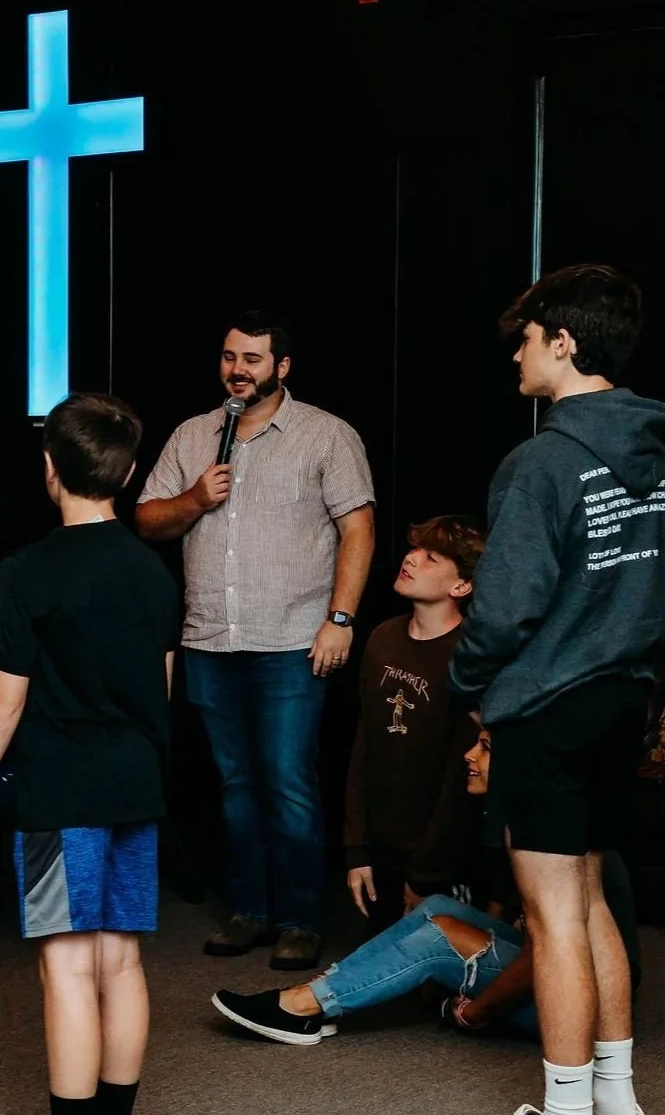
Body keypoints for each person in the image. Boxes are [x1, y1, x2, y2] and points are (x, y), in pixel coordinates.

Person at [448, 264, 664, 1115]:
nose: (516, 356)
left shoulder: (539, 462)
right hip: (622, 701)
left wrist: (467, 682)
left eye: (527, 340)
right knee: (591, 897)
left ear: (564, 342)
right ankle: (615, 1097)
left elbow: (503, 611)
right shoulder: (655, 452)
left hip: (546, 709)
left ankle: (567, 1106)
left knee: (552, 917)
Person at [0, 393, 179, 1115]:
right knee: (122, 959)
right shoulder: (154, 571)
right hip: (135, 782)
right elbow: (162, 685)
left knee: (67, 965)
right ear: (129, 473)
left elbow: (1, 701)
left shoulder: (29, 570)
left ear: (49, 469)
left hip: (60, 790)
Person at [135, 309, 376, 970]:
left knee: (288, 781)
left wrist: (340, 619)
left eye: (251, 358)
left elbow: (358, 530)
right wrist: (193, 500)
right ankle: (249, 909)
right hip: (211, 639)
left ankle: (299, 918)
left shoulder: (325, 434)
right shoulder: (193, 435)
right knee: (235, 784)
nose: (236, 370)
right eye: (228, 357)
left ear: (282, 366)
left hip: (292, 640)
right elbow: (148, 518)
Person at [210, 730, 641, 1049]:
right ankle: (326, 990)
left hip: (589, 1008)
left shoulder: (545, 837)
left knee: (439, 937)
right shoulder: (523, 817)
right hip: (560, 966)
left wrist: (474, 1011)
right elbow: (510, 917)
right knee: (438, 907)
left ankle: (303, 1007)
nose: (469, 755)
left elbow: (542, 959)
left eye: (485, 748)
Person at [343, 514, 485, 938]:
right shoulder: (383, 637)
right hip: (381, 846)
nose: (411, 559)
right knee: (376, 959)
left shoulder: (470, 655)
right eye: (415, 550)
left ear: (460, 586)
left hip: (438, 854)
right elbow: (363, 743)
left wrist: (427, 874)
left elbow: (460, 774)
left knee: (437, 962)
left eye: (431, 558)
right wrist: (356, 849)